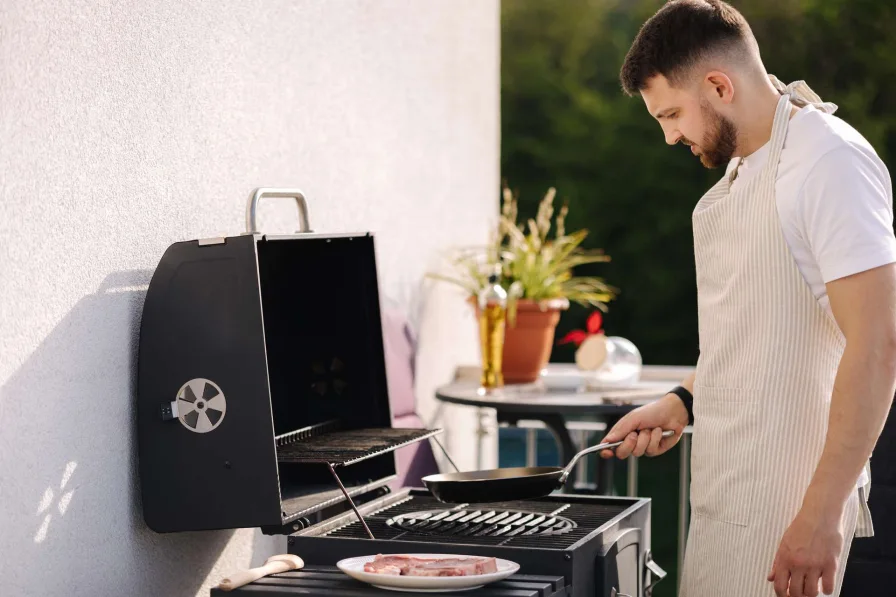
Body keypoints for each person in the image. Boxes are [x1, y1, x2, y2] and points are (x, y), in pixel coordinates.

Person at [601, 1, 896, 596]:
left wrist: (818, 516)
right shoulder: (746, 171)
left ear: (718, 85)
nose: (669, 136)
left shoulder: (828, 161)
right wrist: (686, 399)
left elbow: (880, 344)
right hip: (725, 494)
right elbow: (760, 330)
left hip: (788, 516)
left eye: (672, 114)